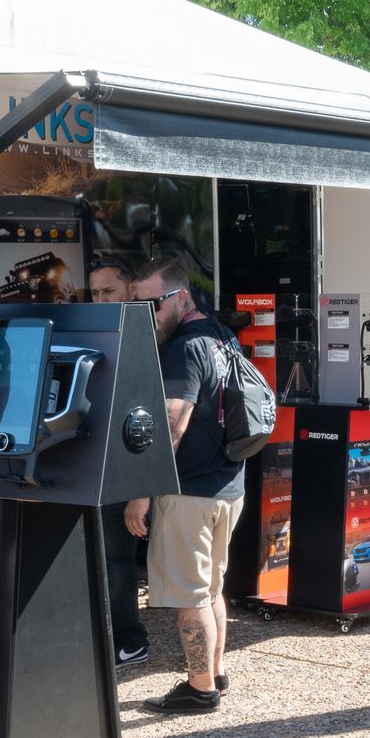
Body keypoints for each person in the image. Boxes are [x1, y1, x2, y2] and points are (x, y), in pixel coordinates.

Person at [125, 259, 243, 714]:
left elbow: (173, 423)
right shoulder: (220, 335)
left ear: (179, 298)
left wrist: (142, 493)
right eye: (137, 305)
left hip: (189, 490)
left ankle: (199, 689)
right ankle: (214, 672)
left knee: (190, 595)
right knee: (211, 588)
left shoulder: (182, 348)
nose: (145, 314)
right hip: (227, 485)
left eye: (150, 304)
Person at [87, 257, 150, 667]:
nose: (100, 299)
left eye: (108, 291)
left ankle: (130, 637)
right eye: (94, 293)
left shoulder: (146, 334)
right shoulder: (95, 329)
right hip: (93, 465)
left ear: (131, 288)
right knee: (101, 560)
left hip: (127, 471)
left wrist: (139, 491)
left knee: (117, 561)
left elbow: (154, 421)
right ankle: (104, 635)